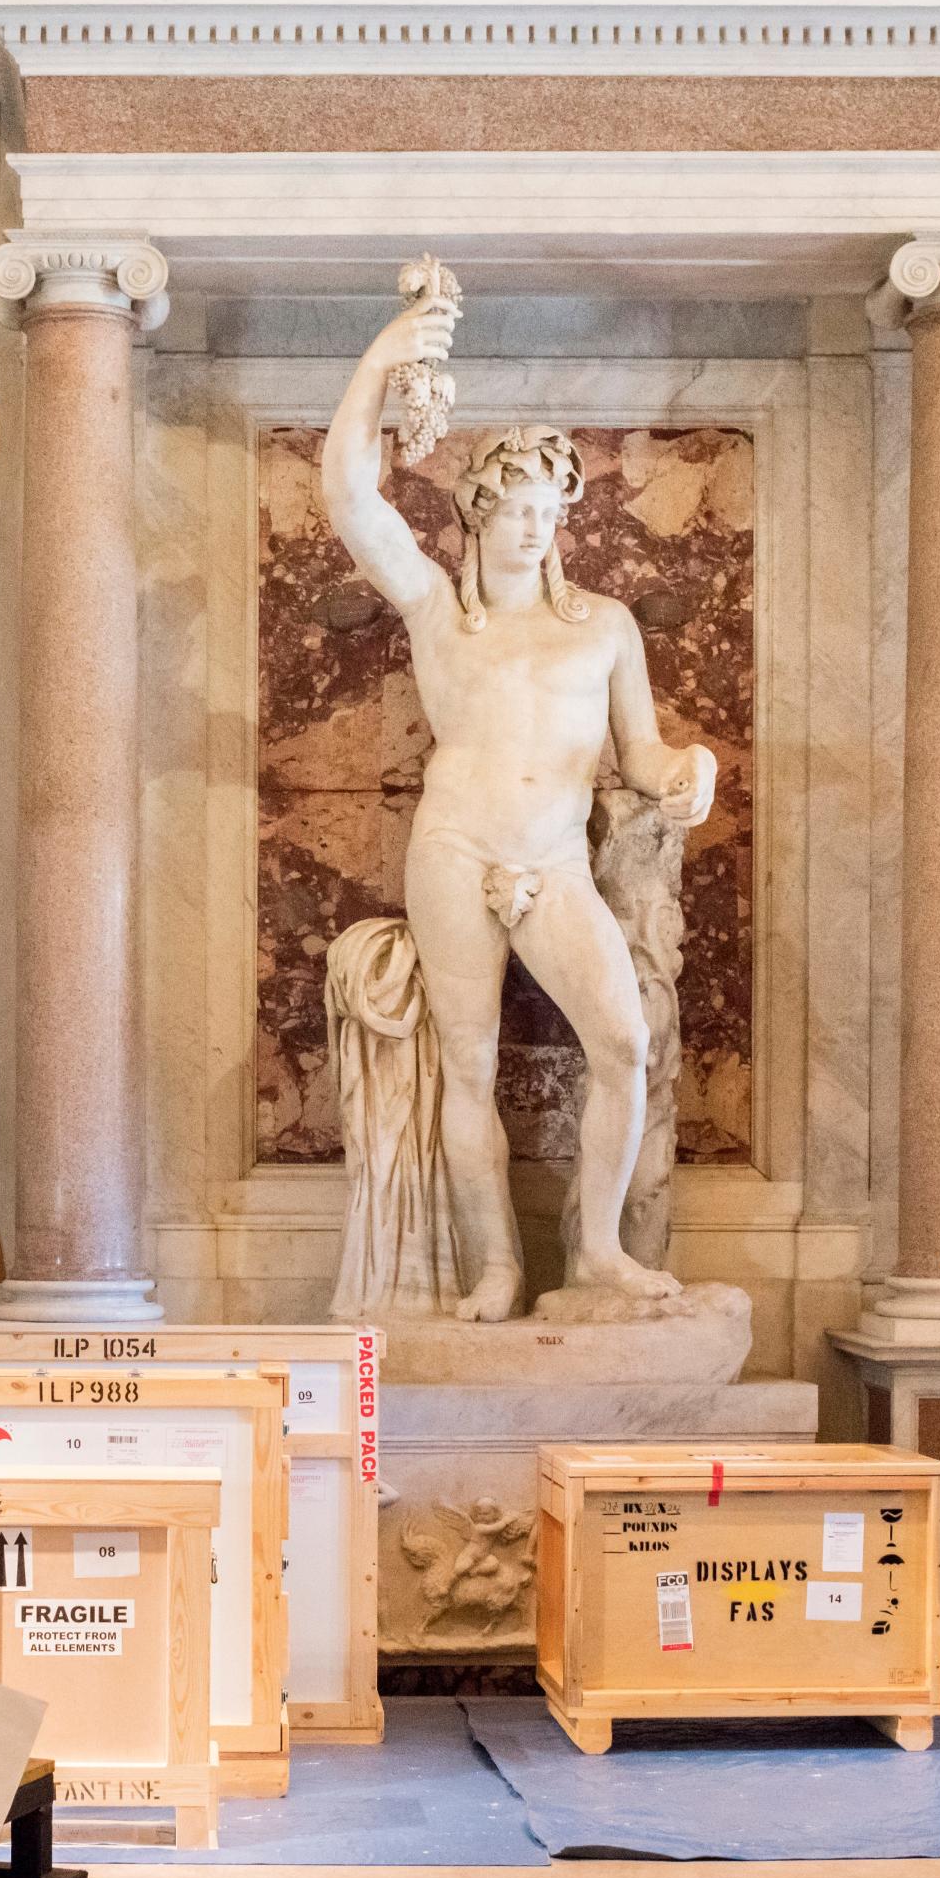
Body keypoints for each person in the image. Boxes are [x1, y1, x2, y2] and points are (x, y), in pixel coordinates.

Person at [321, 296, 716, 1322]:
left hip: (557, 864)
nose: (540, 523)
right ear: (480, 512)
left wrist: (690, 770)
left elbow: (643, 751)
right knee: (469, 1063)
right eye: (521, 504)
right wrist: (383, 355)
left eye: (554, 507)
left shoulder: (604, 627)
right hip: (454, 851)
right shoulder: (436, 612)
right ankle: (496, 1266)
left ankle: (595, 1252)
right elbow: (351, 496)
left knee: (623, 1041)